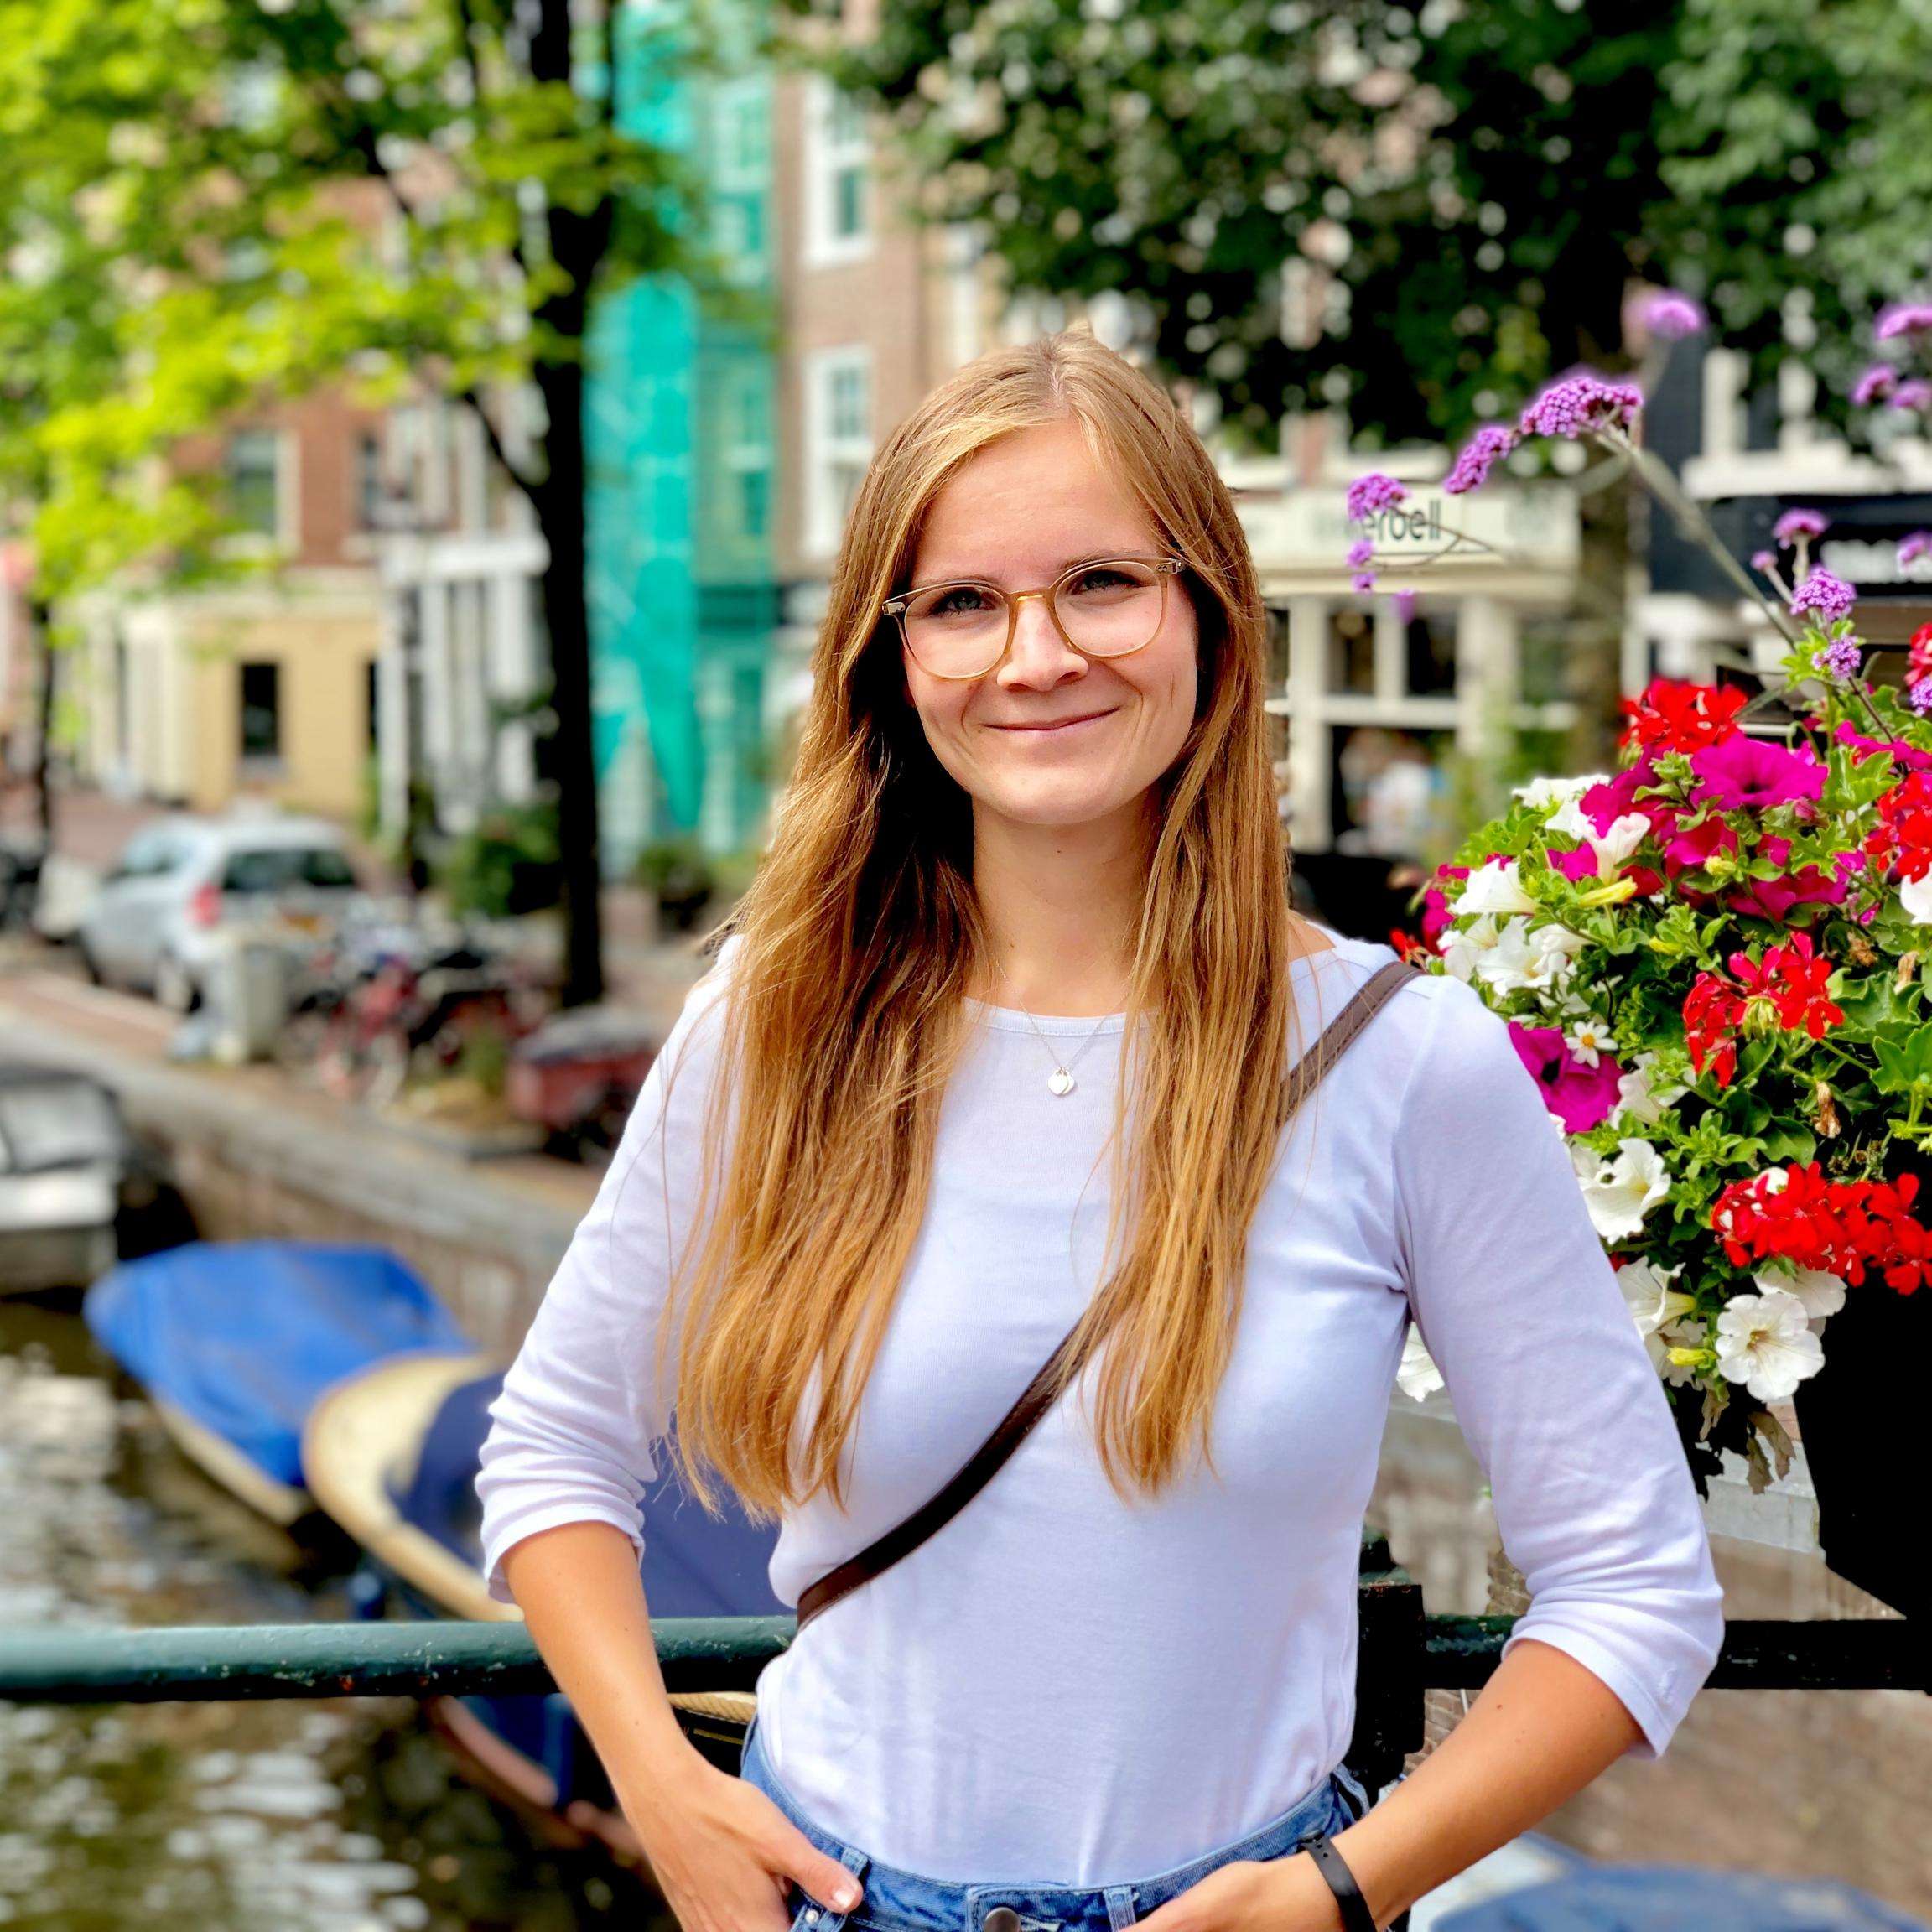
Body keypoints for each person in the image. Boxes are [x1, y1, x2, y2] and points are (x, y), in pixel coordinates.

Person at [475, 330, 1726, 1932]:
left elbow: (1636, 1586)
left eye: (1102, 584)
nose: (1034, 655)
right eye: (963, 602)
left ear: (1208, 610)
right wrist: (661, 1788)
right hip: (830, 1903)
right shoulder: (777, 1029)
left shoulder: (1401, 1066)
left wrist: (1340, 1892)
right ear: (891, 656)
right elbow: (553, 1450)